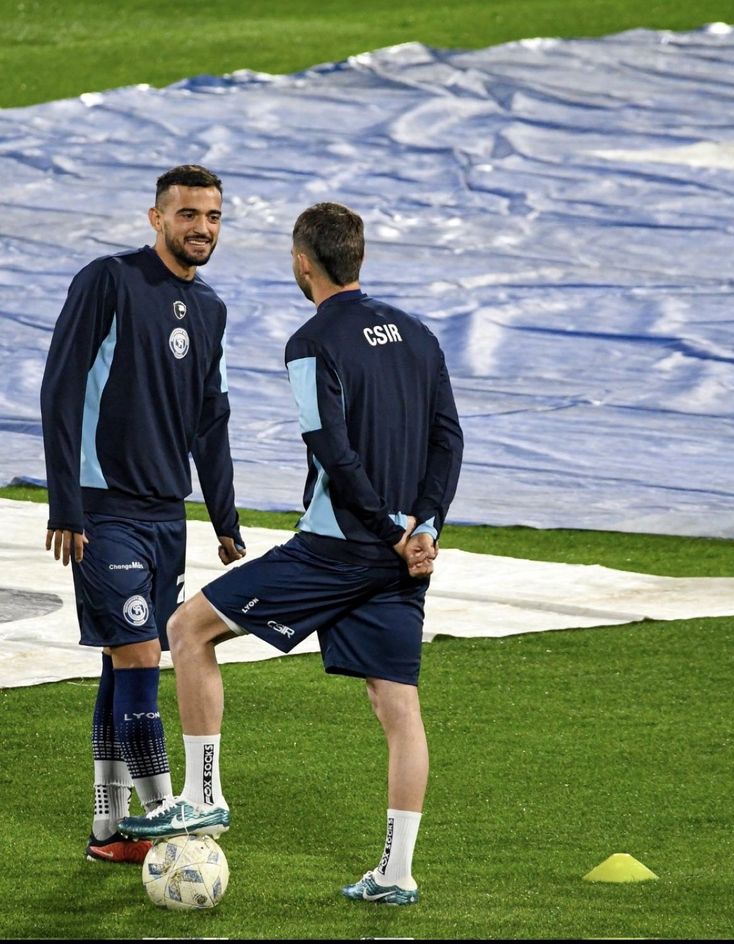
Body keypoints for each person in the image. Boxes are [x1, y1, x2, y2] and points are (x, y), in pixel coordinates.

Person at [118, 201, 463, 905]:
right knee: (398, 708)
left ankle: (203, 793)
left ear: (304, 264)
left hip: (338, 549)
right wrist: (423, 526)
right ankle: (395, 873)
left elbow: (330, 446)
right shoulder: (421, 336)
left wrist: (388, 527)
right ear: (359, 258)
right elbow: (448, 440)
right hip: (402, 557)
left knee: (187, 629)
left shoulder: (311, 341)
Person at [40, 164, 246, 865]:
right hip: (103, 509)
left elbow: (211, 422)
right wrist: (64, 501)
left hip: (167, 514)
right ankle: (166, 819)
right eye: (187, 215)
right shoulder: (110, 281)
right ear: (156, 218)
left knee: (121, 662)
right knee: (140, 654)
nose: (202, 228)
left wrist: (224, 518)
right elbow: (61, 387)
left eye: (213, 216)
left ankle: (110, 823)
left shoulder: (211, 309)